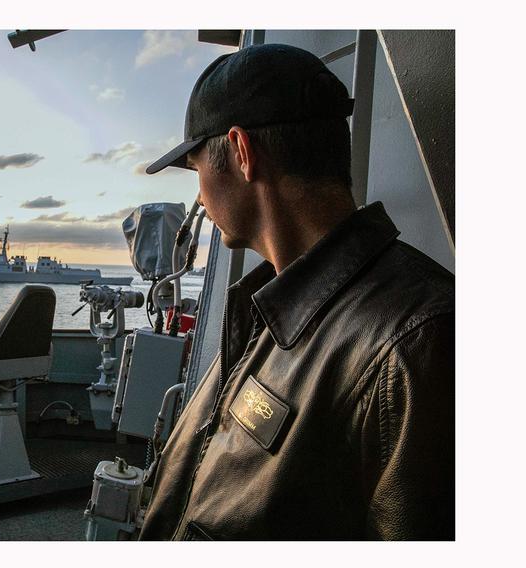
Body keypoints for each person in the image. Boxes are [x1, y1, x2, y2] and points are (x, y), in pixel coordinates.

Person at [138, 44, 454, 540]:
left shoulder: (417, 341)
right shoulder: (273, 305)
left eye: (197, 169)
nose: (200, 196)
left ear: (241, 153)